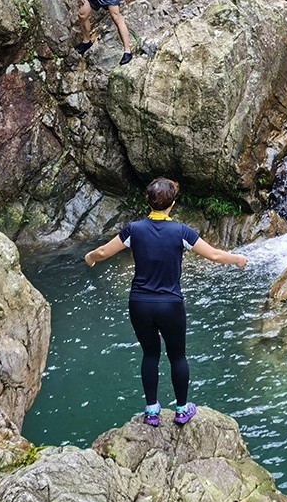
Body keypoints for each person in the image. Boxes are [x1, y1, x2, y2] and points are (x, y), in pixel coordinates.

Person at [83, 177, 248, 427]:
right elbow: (214, 255)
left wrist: (90, 257)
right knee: (177, 357)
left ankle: (151, 411)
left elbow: (104, 252)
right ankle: (182, 410)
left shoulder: (134, 230)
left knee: (150, 354)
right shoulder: (181, 231)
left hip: (139, 303)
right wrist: (237, 259)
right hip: (170, 304)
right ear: (172, 204)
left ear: (148, 201)